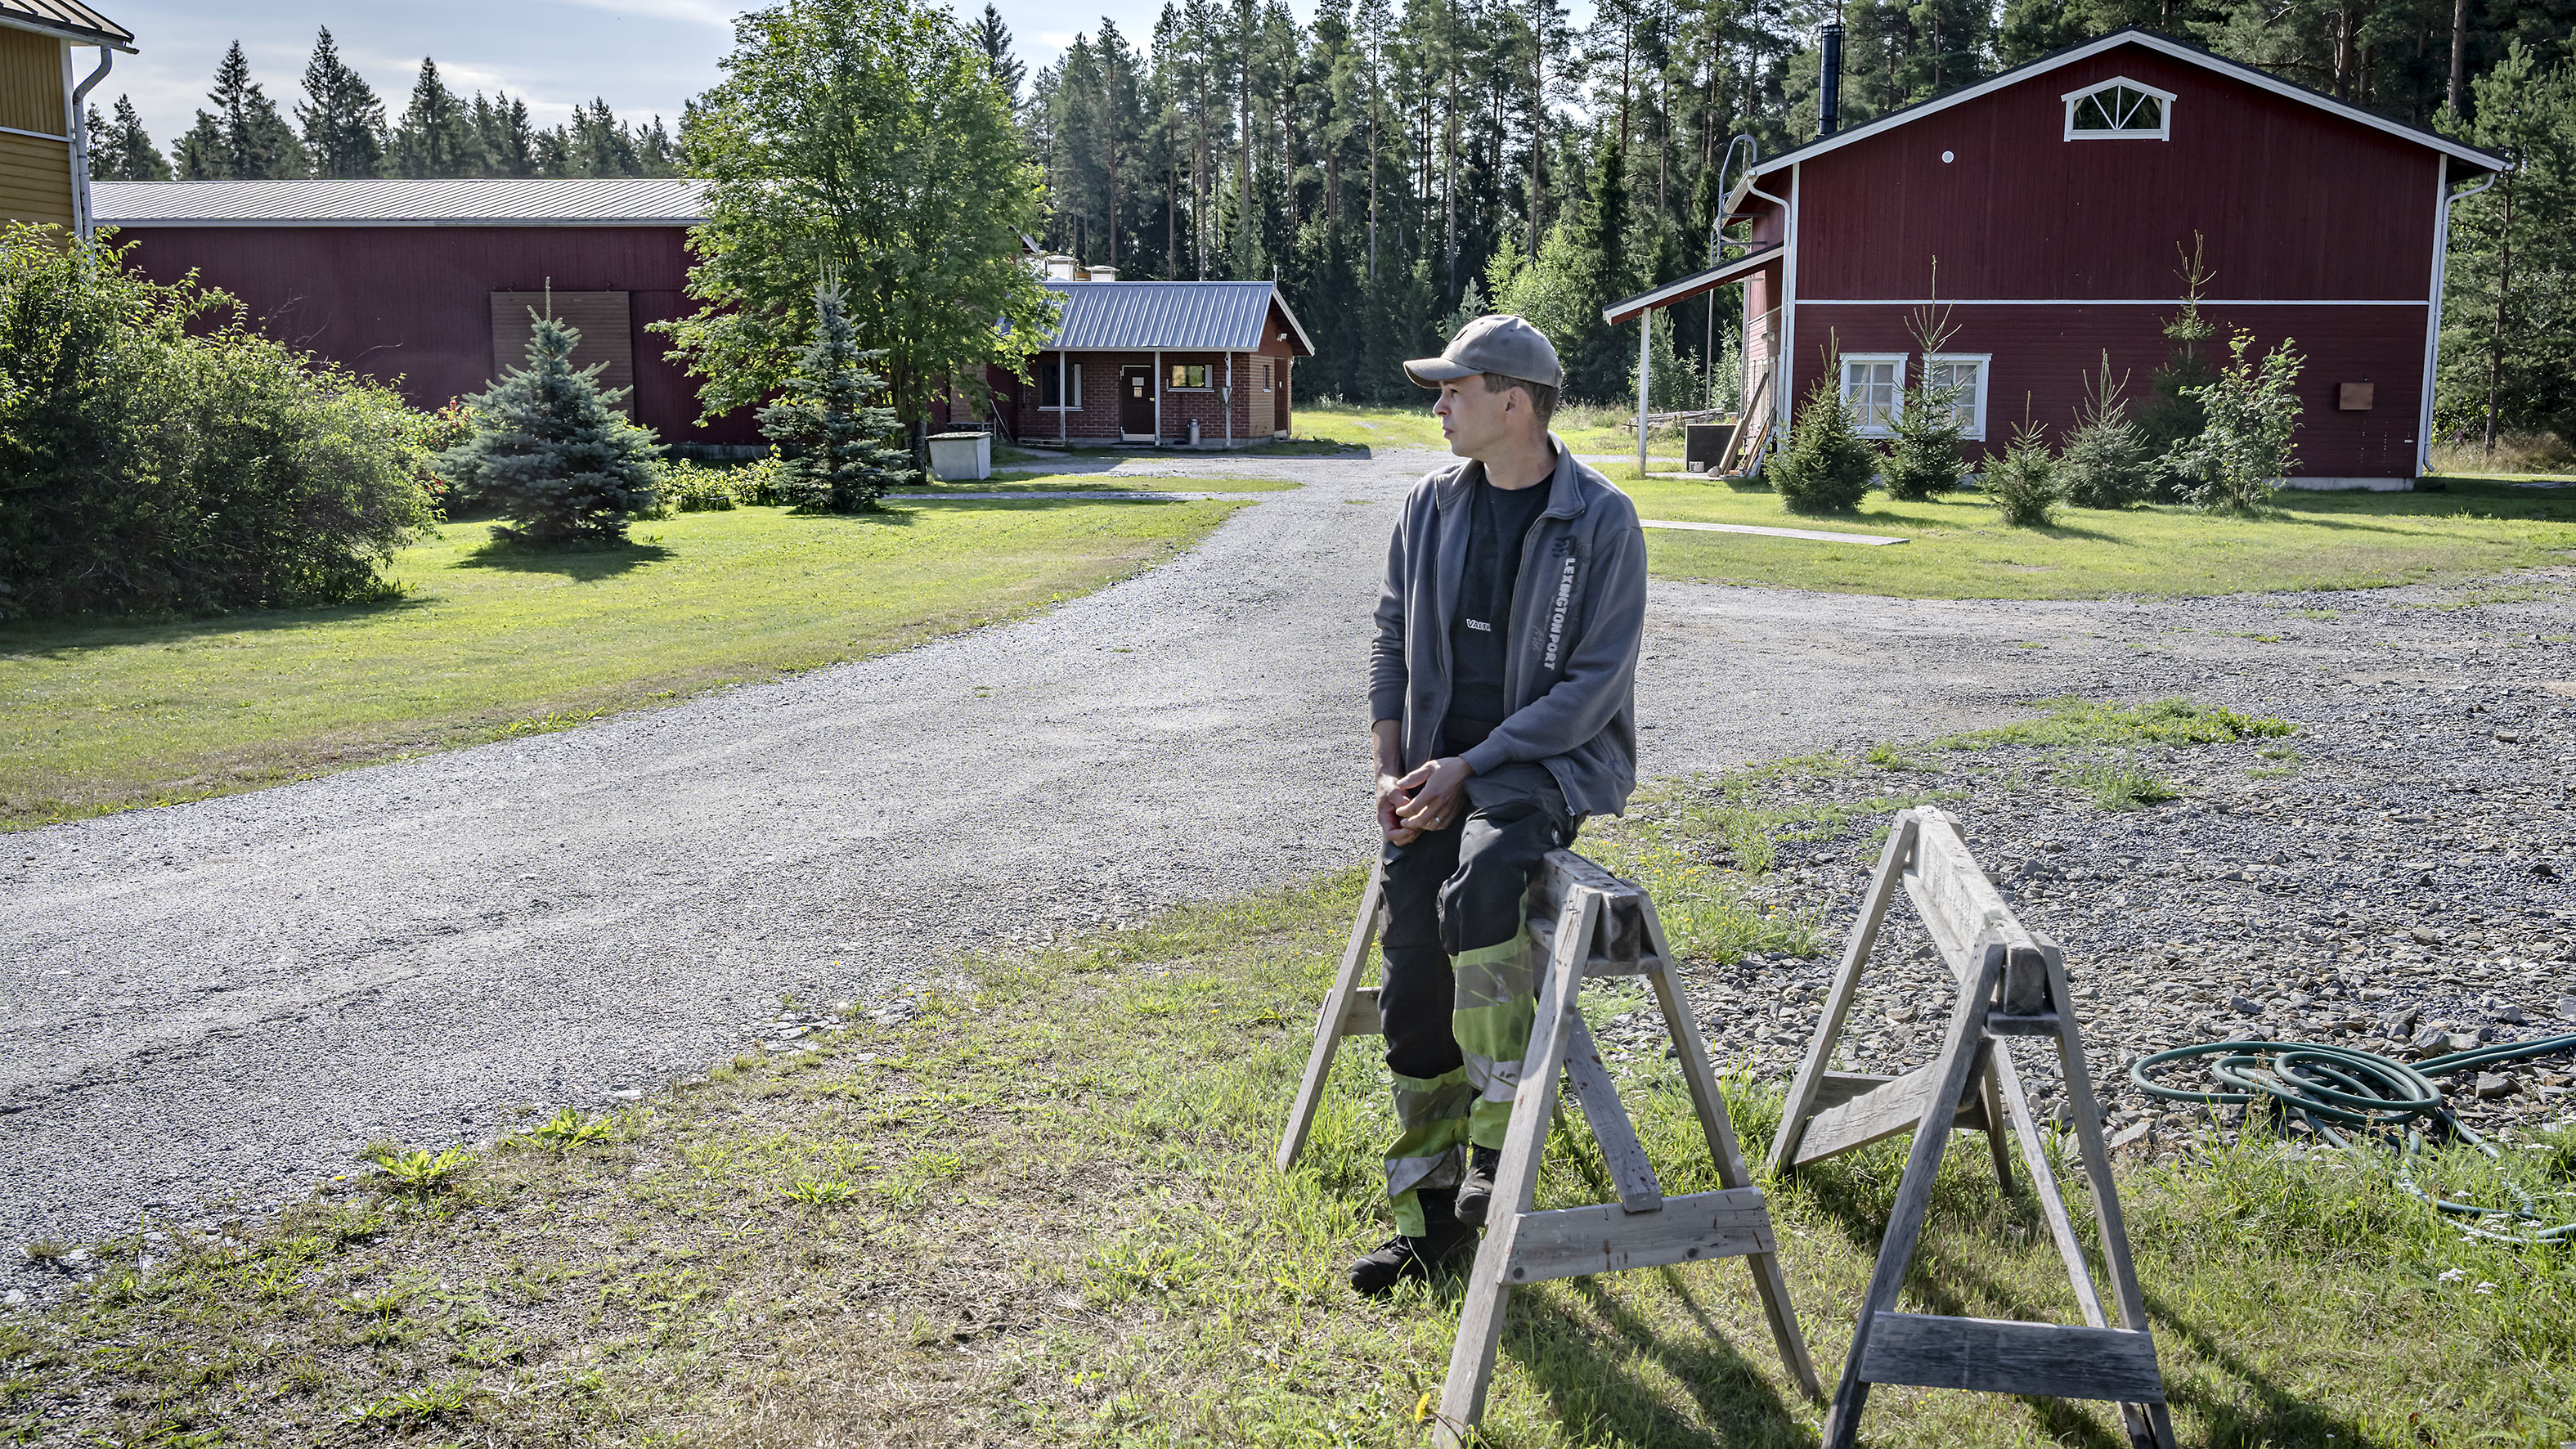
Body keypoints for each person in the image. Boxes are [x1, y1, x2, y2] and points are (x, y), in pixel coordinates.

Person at [1352, 314, 1649, 1296]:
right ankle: (1425, 1217)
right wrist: (1392, 766)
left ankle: (1494, 1146)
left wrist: (1470, 766)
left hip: (1538, 768)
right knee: (1410, 971)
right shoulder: (1428, 506)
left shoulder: (1602, 521)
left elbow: (1591, 691)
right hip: (1436, 765)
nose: (1438, 406)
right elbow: (1390, 635)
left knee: (1482, 884)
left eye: (1455, 389)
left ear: (1513, 402)